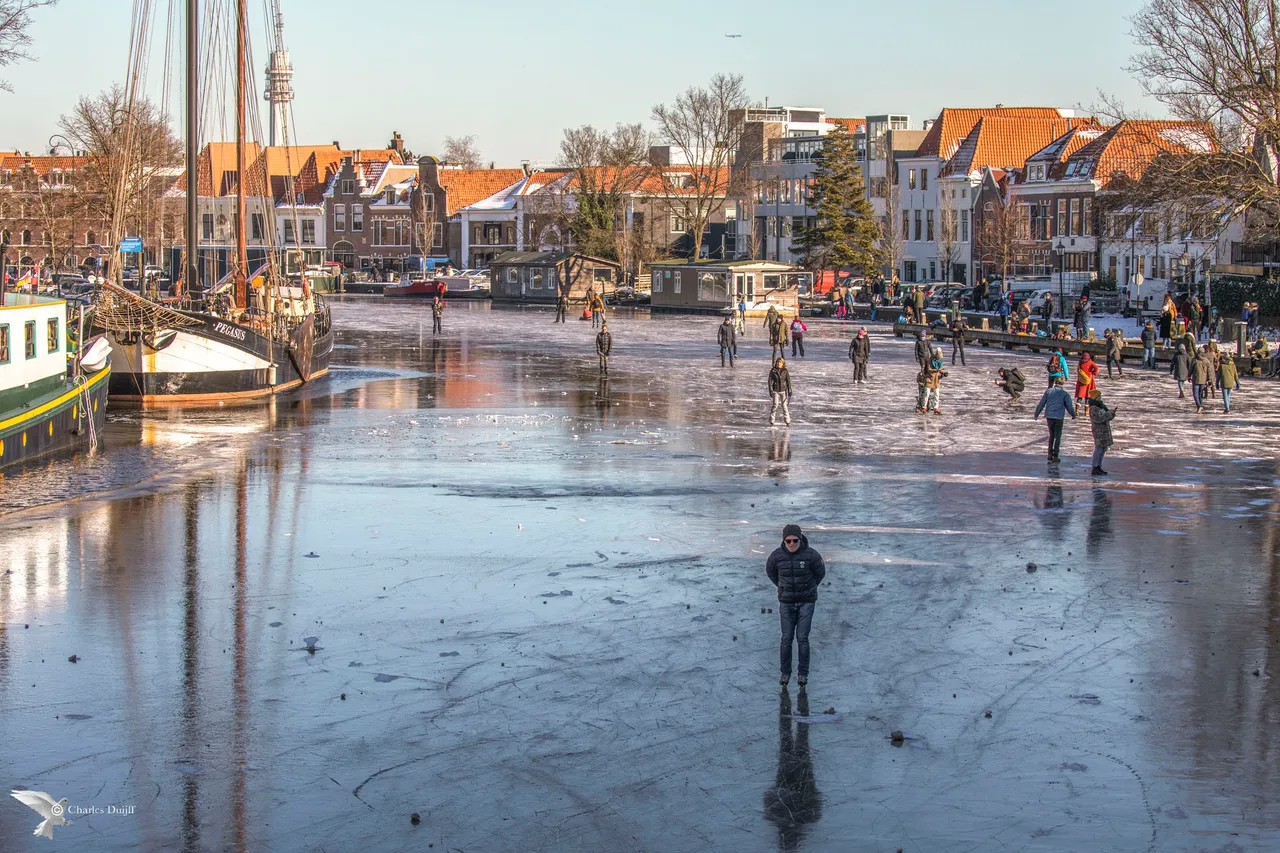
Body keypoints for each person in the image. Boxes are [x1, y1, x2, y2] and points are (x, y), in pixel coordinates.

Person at [765, 524, 826, 687]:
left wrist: (809, 588)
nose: (792, 544)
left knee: (802, 638)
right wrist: (782, 586)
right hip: (786, 602)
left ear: (800, 539)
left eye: (795, 540)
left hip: (806, 602)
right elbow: (770, 572)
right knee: (786, 638)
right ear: (784, 541)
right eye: (788, 541)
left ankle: (802, 674)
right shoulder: (776, 556)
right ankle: (785, 673)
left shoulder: (811, 555)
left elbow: (820, 573)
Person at [1034, 376, 1077, 464]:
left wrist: (1037, 413)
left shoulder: (1049, 391)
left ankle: (1050, 454)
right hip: (1059, 417)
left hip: (1049, 416)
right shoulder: (1065, 394)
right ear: (1062, 383)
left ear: (1055, 382)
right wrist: (1073, 414)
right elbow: (1069, 406)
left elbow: (1042, 403)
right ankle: (1055, 455)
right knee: (1058, 436)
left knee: (1051, 435)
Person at [1087, 388, 1117, 476]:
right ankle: (1095, 467)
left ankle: (1099, 466)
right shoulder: (1093, 408)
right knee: (1099, 448)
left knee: (1103, 448)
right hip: (1098, 431)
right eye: (1099, 396)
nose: (1100, 398)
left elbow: (1106, 417)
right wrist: (1108, 414)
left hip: (1104, 430)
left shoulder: (1101, 406)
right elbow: (1098, 419)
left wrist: (1111, 414)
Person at [916, 346, 946, 414]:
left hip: (936, 380)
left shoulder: (940, 361)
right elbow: (929, 370)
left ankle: (936, 407)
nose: (939, 359)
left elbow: (941, 369)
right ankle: (924, 407)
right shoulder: (931, 360)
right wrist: (937, 370)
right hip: (930, 379)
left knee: (937, 394)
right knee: (926, 393)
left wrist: (943, 373)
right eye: (938, 357)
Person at [769, 357, 793, 426]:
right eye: (777, 362)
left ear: (782, 364)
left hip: (783, 391)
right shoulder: (773, 371)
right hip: (775, 390)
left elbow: (788, 381)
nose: (778, 364)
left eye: (780, 363)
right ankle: (772, 420)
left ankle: (787, 421)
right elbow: (770, 381)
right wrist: (771, 390)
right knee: (775, 405)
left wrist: (789, 389)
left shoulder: (785, 371)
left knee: (784, 406)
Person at [1190, 344, 1214, 413]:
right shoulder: (1206, 360)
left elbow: (1191, 369)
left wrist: (1189, 376)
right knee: (1200, 394)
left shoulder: (1194, 360)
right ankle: (1200, 406)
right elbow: (1209, 371)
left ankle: (1199, 406)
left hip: (1196, 379)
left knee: (1195, 394)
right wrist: (1209, 379)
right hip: (1203, 380)